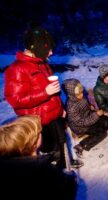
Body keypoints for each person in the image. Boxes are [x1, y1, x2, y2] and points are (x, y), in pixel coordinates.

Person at [4, 25, 82, 168]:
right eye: (48, 49)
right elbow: (16, 100)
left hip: (54, 116)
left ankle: (65, 165)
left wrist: (60, 110)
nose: (51, 53)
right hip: (39, 121)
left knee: (62, 142)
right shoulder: (16, 69)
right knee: (49, 152)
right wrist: (44, 93)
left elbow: (53, 92)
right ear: (36, 48)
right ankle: (54, 174)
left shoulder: (43, 64)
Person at [0, 116, 77, 200]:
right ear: (34, 143)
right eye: (38, 132)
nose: (41, 132)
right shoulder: (42, 171)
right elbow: (66, 192)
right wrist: (70, 179)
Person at [62, 79, 108, 155]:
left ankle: (98, 128)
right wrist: (96, 115)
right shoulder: (71, 107)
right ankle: (81, 145)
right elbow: (81, 122)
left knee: (106, 122)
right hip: (81, 127)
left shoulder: (80, 97)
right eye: (78, 94)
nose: (81, 95)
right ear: (71, 94)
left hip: (88, 116)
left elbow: (85, 104)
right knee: (102, 134)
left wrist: (90, 106)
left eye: (81, 92)